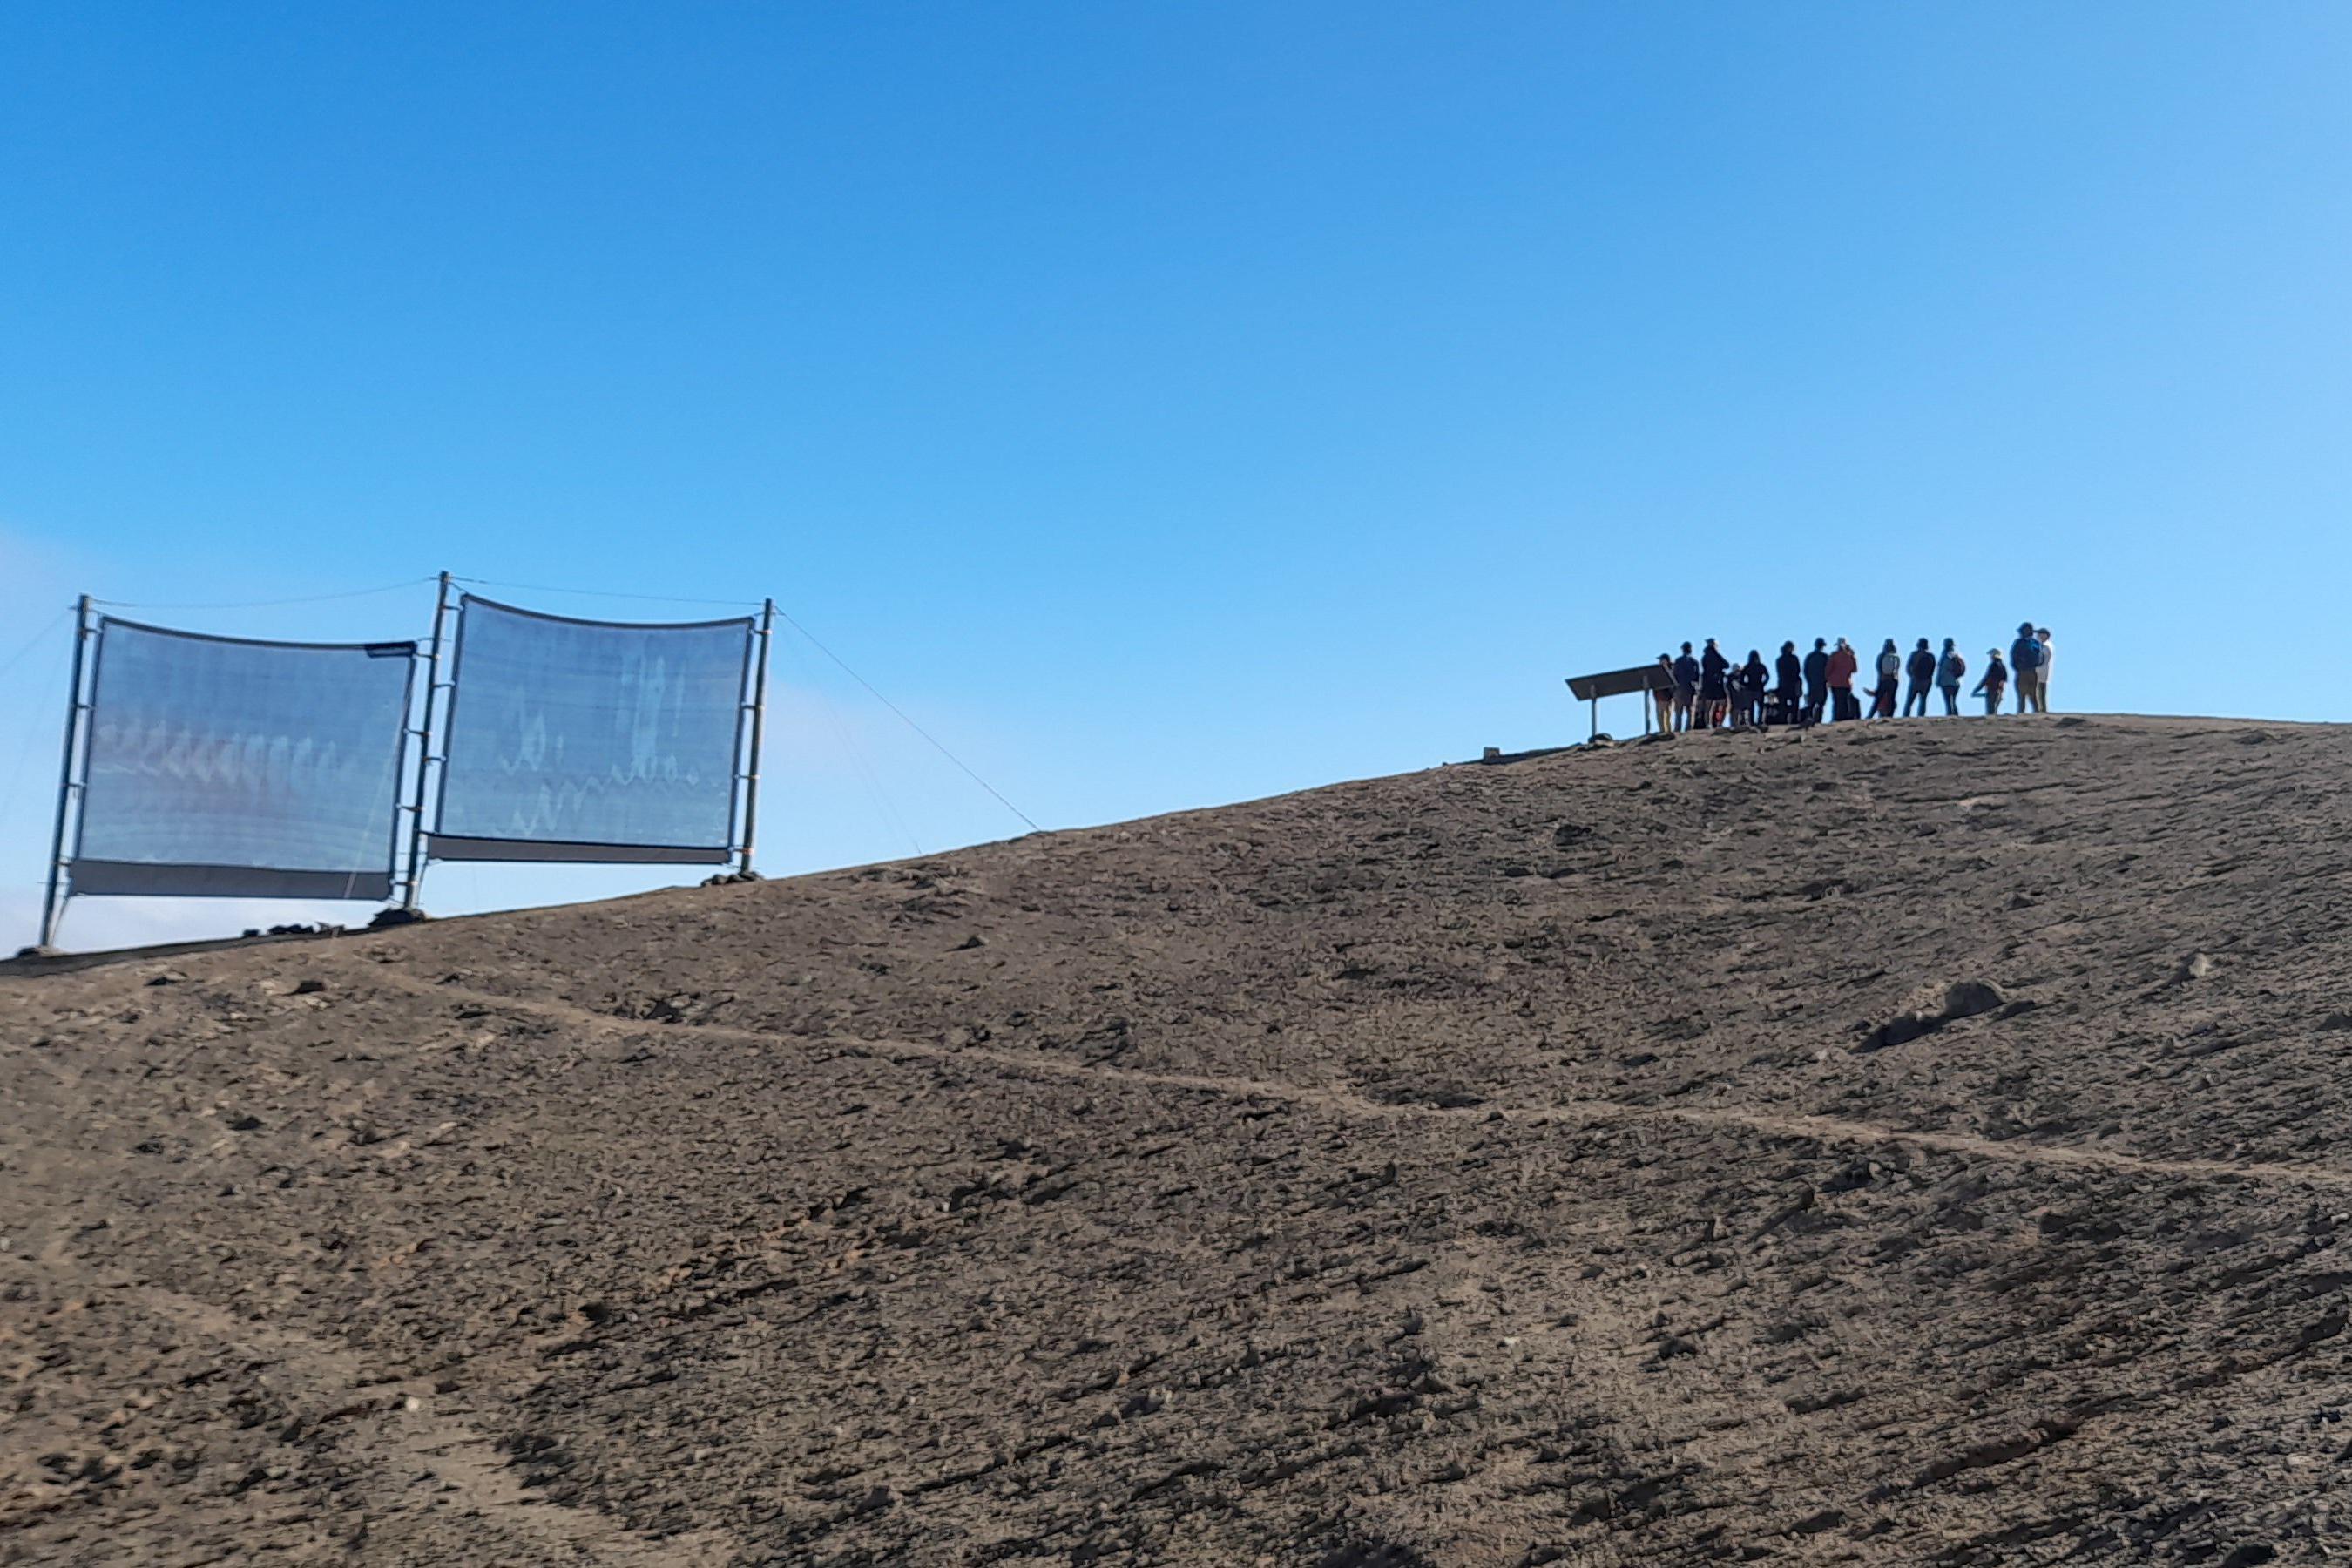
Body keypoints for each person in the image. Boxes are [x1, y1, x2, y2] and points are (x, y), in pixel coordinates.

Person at [2010, 622, 2045, 713]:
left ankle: (2028, 713)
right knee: (2026, 695)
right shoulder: (2033, 643)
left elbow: (2013, 657)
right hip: (2027, 671)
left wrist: (2018, 667)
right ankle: (2029, 712)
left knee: (2028, 695)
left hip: (2027, 671)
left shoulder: (2022, 643)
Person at [1700, 638, 1731, 729]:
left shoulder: (1704, 657)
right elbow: (1727, 665)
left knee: (1709, 706)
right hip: (1717, 683)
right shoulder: (1716, 655)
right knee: (1724, 703)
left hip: (1708, 683)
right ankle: (1719, 723)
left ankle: (1708, 724)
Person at [1825, 637, 1859, 721]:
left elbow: (1828, 669)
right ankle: (1845, 717)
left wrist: (1827, 679)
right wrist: (1852, 655)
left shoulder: (1834, 656)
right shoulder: (1850, 657)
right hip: (1846, 683)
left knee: (1837, 701)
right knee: (1845, 701)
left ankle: (1837, 717)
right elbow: (1855, 669)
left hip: (1835, 683)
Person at [1903, 638, 1936, 718]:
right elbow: (1933, 669)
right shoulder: (1931, 656)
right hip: (1926, 681)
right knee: (1923, 700)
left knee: (1909, 701)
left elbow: (1908, 667)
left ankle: (1906, 716)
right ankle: (1921, 716)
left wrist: (1912, 676)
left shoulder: (1914, 654)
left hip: (1915, 680)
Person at [1672, 642, 1700, 731]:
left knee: (1678, 711)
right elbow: (1697, 676)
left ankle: (1677, 729)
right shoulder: (1694, 661)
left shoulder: (1678, 661)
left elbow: (1674, 674)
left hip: (1679, 688)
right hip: (1690, 688)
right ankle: (1689, 728)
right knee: (1690, 710)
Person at [1737, 650, 1768, 727]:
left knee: (1752, 707)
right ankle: (1760, 721)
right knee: (1760, 706)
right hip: (1758, 689)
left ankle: (1752, 722)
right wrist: (1763, 684)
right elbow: (1767, 676)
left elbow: (1741, 678)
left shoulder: (1748, 667)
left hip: (1750, 689)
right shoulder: (1761, 666)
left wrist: (1745, 685)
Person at [1871, 639, 1902, 719]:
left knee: (1878, 698)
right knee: (1891, 698)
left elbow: (1878, 667)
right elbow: (1898, 667)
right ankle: (1890, 715)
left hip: (1884, 679)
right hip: (1894, 679)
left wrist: (1881, 676)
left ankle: (1870, 715)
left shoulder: (1881, 656)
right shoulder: (1896, 656)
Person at [1802, 637, 1830, 724]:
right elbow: (1829, 670)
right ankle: (1818, 720)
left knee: (1811, 703)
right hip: (1822, 683)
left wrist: (1809, 680)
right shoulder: (1825, 657)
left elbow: (1805, 670)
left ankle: (1810, 719)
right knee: (1821, 704)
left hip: (1812, 684)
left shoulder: (1810, 657)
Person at [1936, 639, 1966, 716]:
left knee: (1948, 702)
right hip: (1957, 682)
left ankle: (1950, 716)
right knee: (1953, 701)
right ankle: (1956, 716)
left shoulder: (1945, 656)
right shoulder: (1958, 655)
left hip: (1946, 682)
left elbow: (1941, 670)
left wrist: (1938, 680)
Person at [1774, 640, 1803, 724]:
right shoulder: (1794, 658)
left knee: (1783, 705)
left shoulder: (1779, 660)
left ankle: (1783, 720)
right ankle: (1794, 720)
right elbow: (1798, 670)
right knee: (1794, 704)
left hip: (1783, 683)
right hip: (1792, 684)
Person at [1975, 649, 2007, 715]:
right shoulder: (2002, 666)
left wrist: (1977, 689)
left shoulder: (1993, 665)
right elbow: (2005, 678)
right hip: (1999, 690)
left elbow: (1986, 678)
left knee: (1990, 711)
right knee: (1995, 709)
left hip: (1992, 689)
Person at [1652, 653, 1677, 734]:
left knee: (1664, 715)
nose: (1659, 662)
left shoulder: (1667, 670)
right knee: (1663, 715)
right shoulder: (1671, 669)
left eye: (1661, 660)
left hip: (1665, 696)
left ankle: (1665, 731)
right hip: (1661, 696)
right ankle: (1665, 730)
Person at [2036, 628, 2055, 710]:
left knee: (2041, 692)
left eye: (2040, 634)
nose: (2037, 636)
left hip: (2043, 671)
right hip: (2039, 671)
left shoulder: (2047, 646)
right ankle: (2039, 708)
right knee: (2037, 692)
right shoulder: (2040, 645)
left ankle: (2043, 709)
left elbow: (2042, 658)